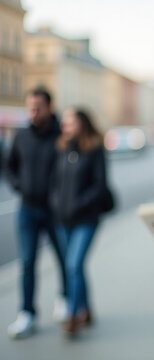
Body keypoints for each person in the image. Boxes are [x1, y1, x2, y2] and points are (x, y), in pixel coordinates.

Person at [6, 88, 68, 339]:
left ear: (49, 107)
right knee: (27, 262)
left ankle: (64, 298)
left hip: (55, 211)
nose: (33, 112)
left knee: (63, 258)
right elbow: (9, 167)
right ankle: (27, 313)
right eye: (30, 107)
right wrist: (20, 185)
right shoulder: (21, 136)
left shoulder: (61, 135)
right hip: (28, 209)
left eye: (38, 107)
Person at [49, 107, 107, 337]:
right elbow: (54, 182)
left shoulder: (94, 149)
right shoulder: (62, 149)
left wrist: (78, 204)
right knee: (74, 267)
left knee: (73, 265)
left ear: (82, 124)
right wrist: (55, 203)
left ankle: (72, 315)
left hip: (85, 219)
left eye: (70, 122)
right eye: (64, 123)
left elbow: (100, 186)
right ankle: (86, 308)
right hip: (62, 220)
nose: (65, 127)